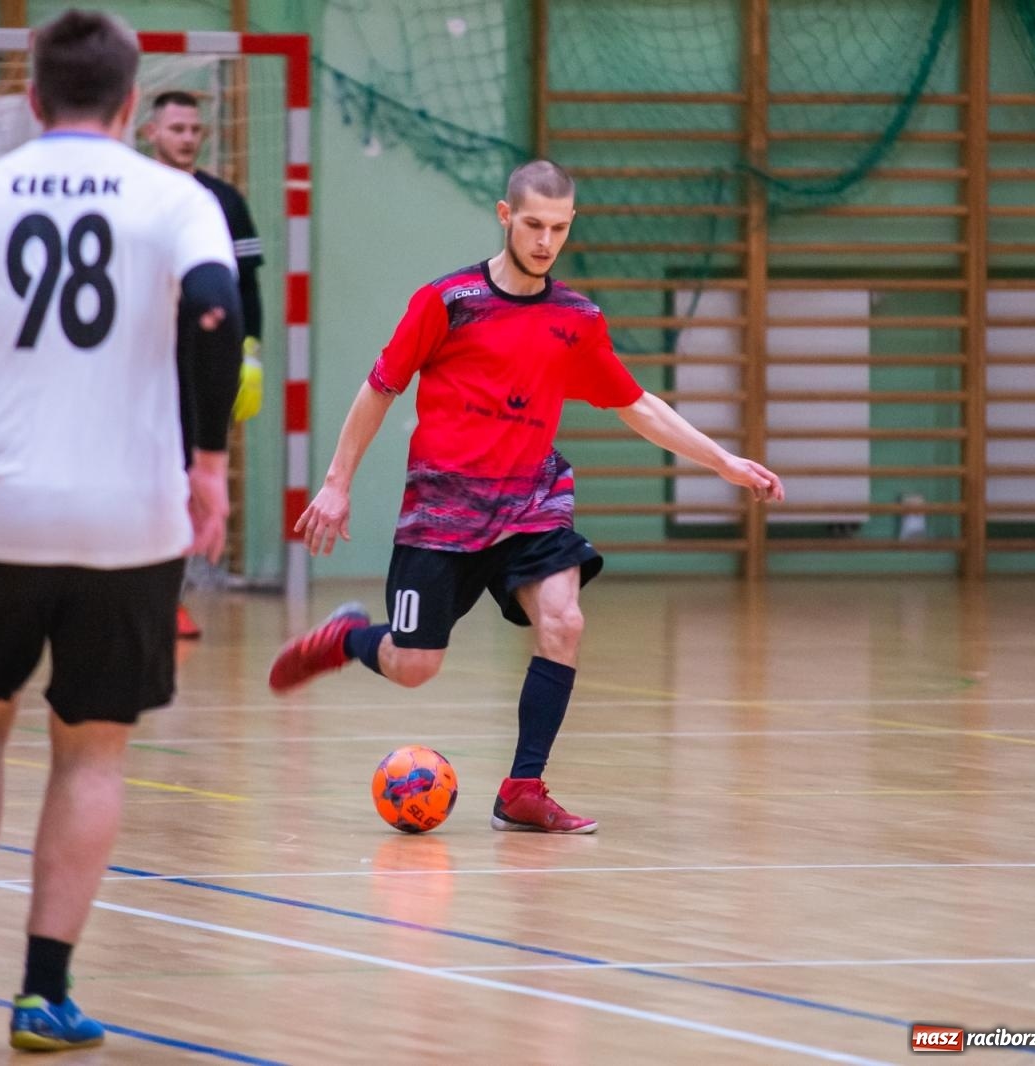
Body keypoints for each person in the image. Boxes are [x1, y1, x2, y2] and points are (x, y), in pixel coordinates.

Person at [0, 9, 243, 1051]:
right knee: (91, 749)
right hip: (131, 516)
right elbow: (216, 313)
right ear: (128, 103)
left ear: (31, 97)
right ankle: (43, 991)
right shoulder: (178, 197)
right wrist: (208, 463)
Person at [268, 160, 784, 834]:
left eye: (560, 228)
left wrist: (722, 461)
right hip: (444, 510)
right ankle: (349, 639)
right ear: (506, 217)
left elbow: (635, 403)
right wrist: (337, 485)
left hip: (530, 502)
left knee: (564, 622)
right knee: (414, 665)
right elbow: (380, 389)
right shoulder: (447, 301)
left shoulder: (576, 318)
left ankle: (523, 788)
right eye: (534, 224)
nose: (546, 240)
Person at [143, 89, 265, 639]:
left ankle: (170, 598)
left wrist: (250, 351)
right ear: (150, 132)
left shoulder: (224, 200)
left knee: (188, 482)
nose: (188, 138)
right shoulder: (136, 194)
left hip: (203, 363)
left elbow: (248, 285)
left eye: (195, 129)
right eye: (177, 129)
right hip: (142, 363)